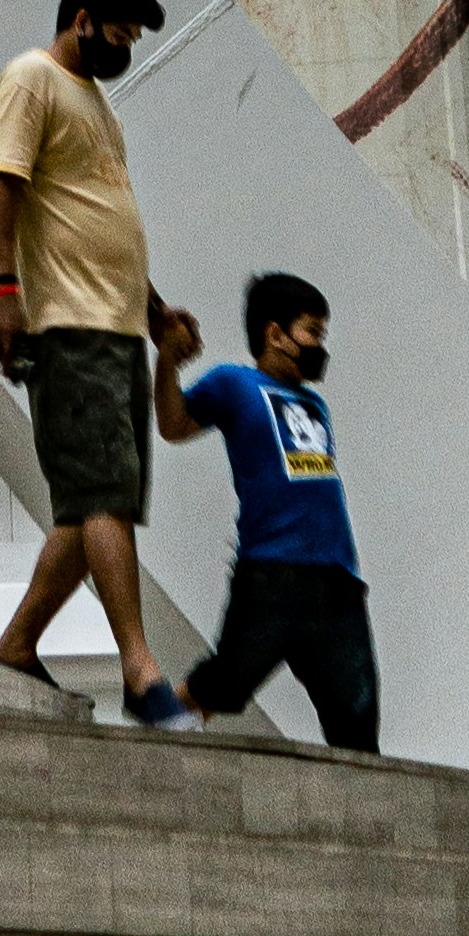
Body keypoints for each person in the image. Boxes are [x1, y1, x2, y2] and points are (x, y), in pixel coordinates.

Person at [0, 0, 198, 729]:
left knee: (88, 509)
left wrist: (156, 313)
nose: (125, 49)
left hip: (115, 329)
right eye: (121, 33)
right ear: (81, 20)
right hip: (66, 329)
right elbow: (0, 182)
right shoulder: (32, 79)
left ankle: (14, 649)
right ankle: (140, 670)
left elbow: (103, 225)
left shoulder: (98, 106)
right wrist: (4, 293)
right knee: (104, 494)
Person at [156, 267, 380, 752]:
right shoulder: (233, 384)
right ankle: (165, 720)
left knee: (358, 727)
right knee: (227, 679)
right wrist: (167, 363)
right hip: (271, 573)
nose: (320, 345)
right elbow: (173, 424)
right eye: (312, 332)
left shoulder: (315, 404)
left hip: (338, 584)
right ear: (275, 334)